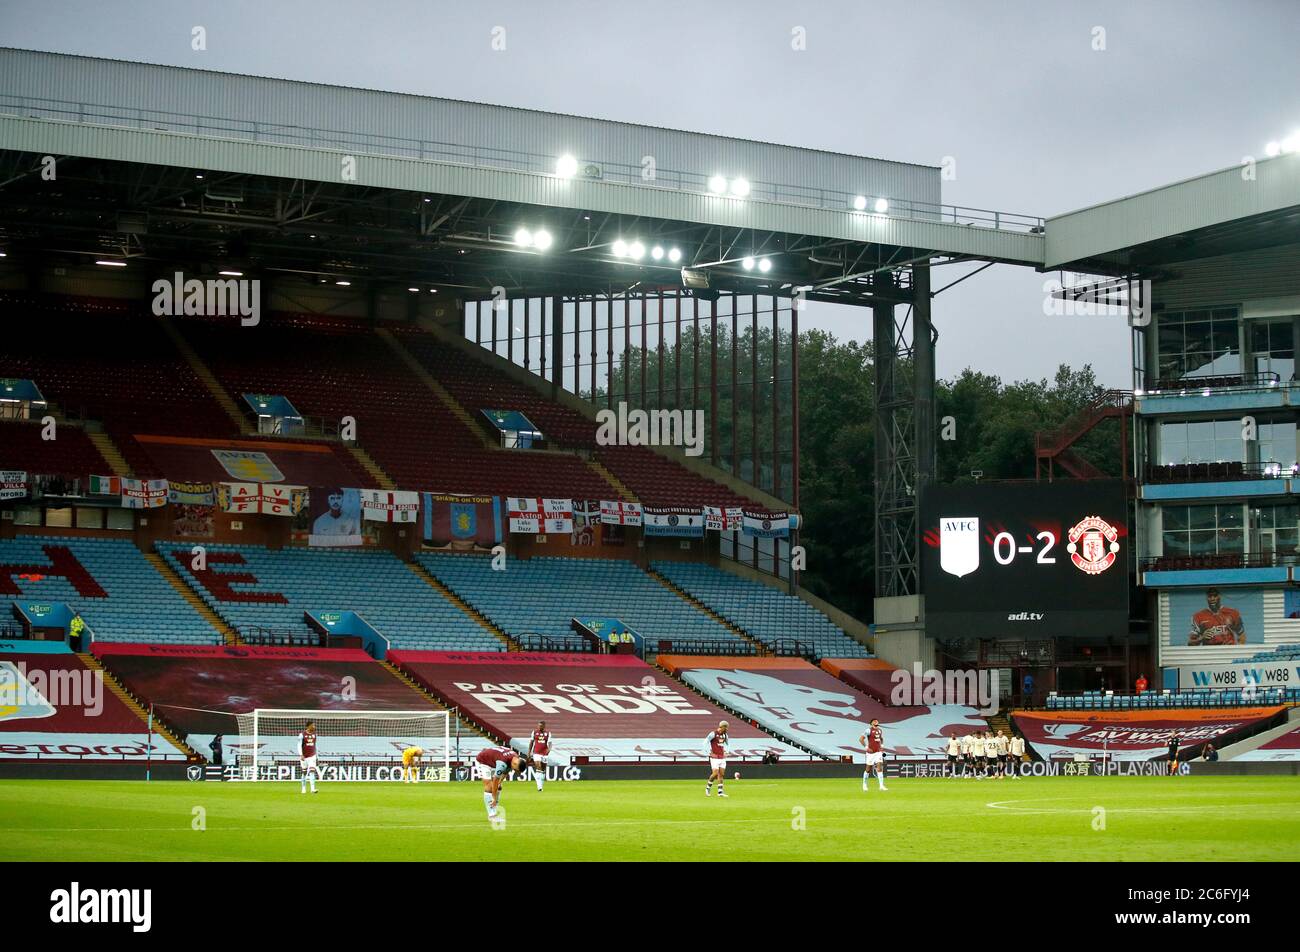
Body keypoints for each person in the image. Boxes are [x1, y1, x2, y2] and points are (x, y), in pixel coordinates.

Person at [475, 745, 524, 822]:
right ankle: (492, 815)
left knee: (499, 787)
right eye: (515, 770)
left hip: (492, 761)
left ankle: (494, 811)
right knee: (489, 786)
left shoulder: (515, 758)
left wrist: (499, 784)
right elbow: (495, 780)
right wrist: (494, 797)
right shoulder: (502, 763)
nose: (514, 771)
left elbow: (505, 772)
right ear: (514, 764)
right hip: (483, 761)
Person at [859, 718, 887, 792]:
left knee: (879, 768)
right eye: (874, 721)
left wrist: (882, 746)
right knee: (868, 769)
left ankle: (881, 786)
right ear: (871, 723)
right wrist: (866, 747)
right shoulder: (868, 730)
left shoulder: (880, 730)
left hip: (878, 752)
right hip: (870, 753)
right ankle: (864, 784)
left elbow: (881, 738)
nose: (876, 722)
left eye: (877, 721)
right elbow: (861, 739)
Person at [705, 721, 729, 797]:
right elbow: (705, 742)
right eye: (726, 727)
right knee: (715, 773)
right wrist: (708, 751)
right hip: (714, 757)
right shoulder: (713, 734)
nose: (727, 729)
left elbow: (727, 744)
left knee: (721, 774)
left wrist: (727, 752)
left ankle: (720, 792)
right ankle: (708, 788)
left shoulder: (725, 735)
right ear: (722, 727)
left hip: (722, 757)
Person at [527, 720, 552, 792]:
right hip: (536, 753)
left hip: (544, 753)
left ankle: (541, 785)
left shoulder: (548, 733)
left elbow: (550, 743)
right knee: (538, 766)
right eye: (538, 725)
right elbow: (531, 743)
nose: (539, 727)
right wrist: (529, 752)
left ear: (544, 726)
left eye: (541, 726)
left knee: (543, 769)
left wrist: (549, 749)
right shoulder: (534, 732)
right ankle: (539, 787)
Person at [297, 721, 319, 794]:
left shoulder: (315, 735)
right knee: (304, 772)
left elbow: (314, 746)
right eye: (313, 725)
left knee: (312, 771)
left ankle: (313, 789)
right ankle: (303, 788)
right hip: (304, 756)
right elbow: (299, 745)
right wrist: (301, 754)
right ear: (308, 726)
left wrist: (317, 756)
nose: (314, 727)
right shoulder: (302, 735)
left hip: (312, 756)